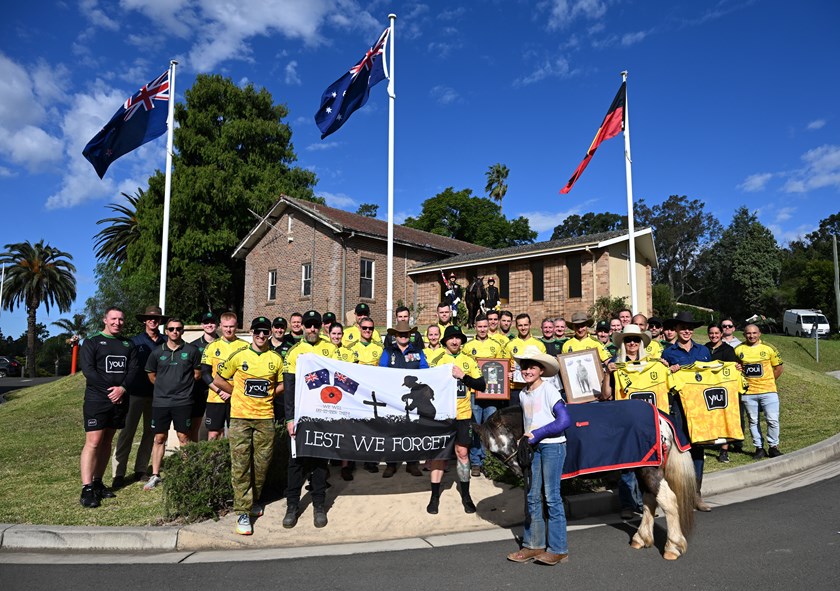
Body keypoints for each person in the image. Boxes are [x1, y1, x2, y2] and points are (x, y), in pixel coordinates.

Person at [213, 317, 284, 535]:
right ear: (251, 332)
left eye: (265, 332)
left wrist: (271, 393)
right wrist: (236, 392)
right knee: (241, 464)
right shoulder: (240, 355)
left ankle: (254, 500)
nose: (261, 336)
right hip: (241, 418)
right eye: (258, 332)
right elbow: (218, 378)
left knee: (261, 465)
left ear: (270, 334)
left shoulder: (276, 358)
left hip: (265, 418)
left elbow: (281, 383)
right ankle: (242, 512)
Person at [506, 346, 571, 566]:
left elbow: (564, 421)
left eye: (532, 366)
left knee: (552, 497)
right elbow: (532, 420)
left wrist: (537, 434)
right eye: (524, 366)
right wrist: (525, 437)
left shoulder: (550, 389)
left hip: (553, 446)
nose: (527, 370)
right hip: (533, 448)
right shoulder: (523, 393)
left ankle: (559, 549)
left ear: (541, 370)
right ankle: (534, 544)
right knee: (533, 496)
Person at [283, 310, 337, 529]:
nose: (313, 329)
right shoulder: (294, 352)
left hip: (323, 414)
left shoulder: (331, 348)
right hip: (300, 415)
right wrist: (290, 418)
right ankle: (292, 506)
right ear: (302, 327)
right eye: (309, 325)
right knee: (295, 462)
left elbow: (339, 379)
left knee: (320, 461)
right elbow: (289, 387)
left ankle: (319, 505)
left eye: (316, 325)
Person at [80, 307, 138, 508]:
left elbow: (133, 370)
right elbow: (88, 371)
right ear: (105, 319)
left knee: (107, 441)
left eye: (121, 319)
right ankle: (87, 488)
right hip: (98, 399)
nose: (117, 322)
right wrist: (110, 390)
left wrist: (122, 389)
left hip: (120, 400)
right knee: (94, 441)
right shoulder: (92, 341)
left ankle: (97, 482)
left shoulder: (128, 344)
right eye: (113, 318)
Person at [428, 326, 486, 514]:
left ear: (461, 341)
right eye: (451, 338)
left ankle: (466, 495)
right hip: (442, 416)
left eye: (458, 338)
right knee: (439, 455)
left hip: (463, 415)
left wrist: (463, 376)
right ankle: (434, 496)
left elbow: (482, 385)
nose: (454, 341)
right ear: (445, 341)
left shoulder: (468, 361)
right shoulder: (436, 360)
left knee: (462, 453)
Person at [661, 311, 713, 512]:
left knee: (699, 447)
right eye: (683, 327)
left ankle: (696, 494)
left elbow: (712, 376)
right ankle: (682, 493)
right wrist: (669, 370)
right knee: (682, 448)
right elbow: (664, 380)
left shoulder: (704, 351)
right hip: (678, 406)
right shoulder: (668, 353)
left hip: (700, 407)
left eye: (690, 328)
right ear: (676, 329)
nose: (687, 331)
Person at [143, 318, 202, 490]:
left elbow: (197, 374)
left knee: (184, 437)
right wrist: (164, 386)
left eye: (178, 328)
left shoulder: (192, 350)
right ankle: (155, 475)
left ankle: (187, 472)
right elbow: (151, 375)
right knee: (159, 438)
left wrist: (181, 388)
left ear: (182, 331)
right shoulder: (156, 352)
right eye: (171, 329)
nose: (175, 331)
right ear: (166, 331)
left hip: (183, 402)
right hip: (161, 402)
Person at [112, 305, 166, 488]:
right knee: (127, 433)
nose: (153, 321)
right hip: (134, 393)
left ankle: (141, 470)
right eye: (150, 318)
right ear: (144, 320)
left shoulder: (166, 342)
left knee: (150, 433)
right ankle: (118, 473)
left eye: (156, 318)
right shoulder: (134, 342)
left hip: (156, 395)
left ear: (160, 321)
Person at [601, 325, 650, 519]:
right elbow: (606, 395)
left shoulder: (649, 364)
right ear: (623, 342)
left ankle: (644, 503)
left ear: (640, 343)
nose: (632, 343)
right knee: (626, 464)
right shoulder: (615, 363)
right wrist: (607, 373)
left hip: (643, 419)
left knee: (646, 463)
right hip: (622, 419)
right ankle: (627, 504)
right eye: (628, 340)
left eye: (635, 340)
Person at [379, 319, 428, 478]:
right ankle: (391, 464)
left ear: (410, 335)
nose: (403, 336)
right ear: (395, 336)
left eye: (406, 334)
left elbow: (425, 370)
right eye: (400, 334)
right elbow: (381, 372)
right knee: (392, 431)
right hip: (393, 398)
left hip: (413, 398)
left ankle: (412, 464)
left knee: (412, 431)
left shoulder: (418, 351)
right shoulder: (388, 351)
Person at [735, 324, 784, 460]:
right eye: (749, 333)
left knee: (772, 420)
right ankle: (759, 448)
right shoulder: (739, 349)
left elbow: (779, 368)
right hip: (749, 393)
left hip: (768, 391)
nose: (752, 336)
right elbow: (737, 366)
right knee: (753, 420)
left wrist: (769, 381)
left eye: (754, 333)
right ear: (744, 335)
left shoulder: (768, 349)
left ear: (759, 334)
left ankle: (773, 447)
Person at [463, 314, 504, 476]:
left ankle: (489, 461)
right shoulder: (468, 346)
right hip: (474, 393)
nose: (482, 329)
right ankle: (476, 462)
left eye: (484, 326)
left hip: (492, 394)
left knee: (491, 429)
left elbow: (501, 368)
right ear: (475, 326)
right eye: (479, 326)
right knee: (476, 429)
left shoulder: (496, 345)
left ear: (489, 327)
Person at [201, 312, 248, 441]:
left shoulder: (245, 346)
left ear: (237, 326)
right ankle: (214, 462)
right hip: (216, 397)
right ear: (220, 326)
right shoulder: (211, 347)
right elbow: (205, 373)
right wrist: (220, 391)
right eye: (226, 326)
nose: (228, 329)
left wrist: (232, 393)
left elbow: (247, 375)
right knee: (214, 434)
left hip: (236, 398)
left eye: (232, 326)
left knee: (236, 435)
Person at [706, 322, 741, 463]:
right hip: (707, 388)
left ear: (721, 334)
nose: (714, 335)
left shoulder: (728, 350)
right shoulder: (704, 349)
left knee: (724, 418)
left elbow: (732, 369)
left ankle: (724, 451)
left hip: (724, 388)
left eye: (716, 333)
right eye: (711, 333)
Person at [189, 311, 218, 442]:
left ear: (217, 325)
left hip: (218, 390)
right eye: (206, 322)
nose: (209, 325)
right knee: (195, 426)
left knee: (217, 428)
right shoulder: (193, 346)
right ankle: (194, 456)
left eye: (212, 322)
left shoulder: (224, 343)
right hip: (199, 390)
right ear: (202, 325)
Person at [504, 313, 547, 394]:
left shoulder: (539, 344)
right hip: (515, 388)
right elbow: (504, 366)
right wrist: (509, 371)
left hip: (534, 387)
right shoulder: (510, 344)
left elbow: (543, 367)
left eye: (525, 325)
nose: (523, 328)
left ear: (530, 325)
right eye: (520, 325)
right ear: (516, 327)